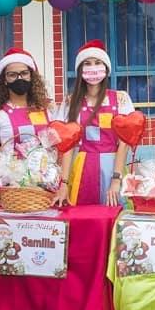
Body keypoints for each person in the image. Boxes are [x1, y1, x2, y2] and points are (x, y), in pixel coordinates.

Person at [57, 40, 134, 206]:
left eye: (98, 63)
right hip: (82, 169)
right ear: (80, 70)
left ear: (106, 68)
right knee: (82, 217)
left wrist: (116, 178)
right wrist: (63, 183)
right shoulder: (71, 102)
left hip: (114, 167)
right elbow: (67, 146)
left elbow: (124, 143)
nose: (93, 67)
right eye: (87, 63)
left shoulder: (121, 98)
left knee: (115, 216)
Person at [0, 48, 57, 206]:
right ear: (5, 80)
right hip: (11, 189)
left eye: (24, 73)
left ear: (31, 76)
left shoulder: (47, 108)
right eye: (12, 75)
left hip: (45, 187)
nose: (19, 78)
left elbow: (57, 148)